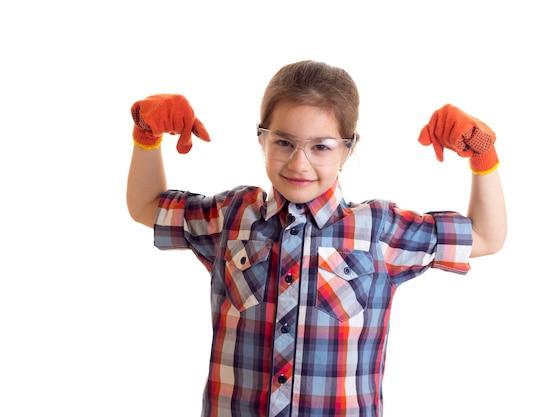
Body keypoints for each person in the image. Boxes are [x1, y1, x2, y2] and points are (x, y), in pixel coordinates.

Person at [126, 60, 507, 417]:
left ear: (348, 148)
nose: (298, 162)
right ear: (261, 139)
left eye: (321, 146)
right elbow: (147, 206)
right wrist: (146, 135)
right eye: (284, 142)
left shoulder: (378, 229)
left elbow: (486, 237)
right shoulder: (232, 216)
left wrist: (482, 156)